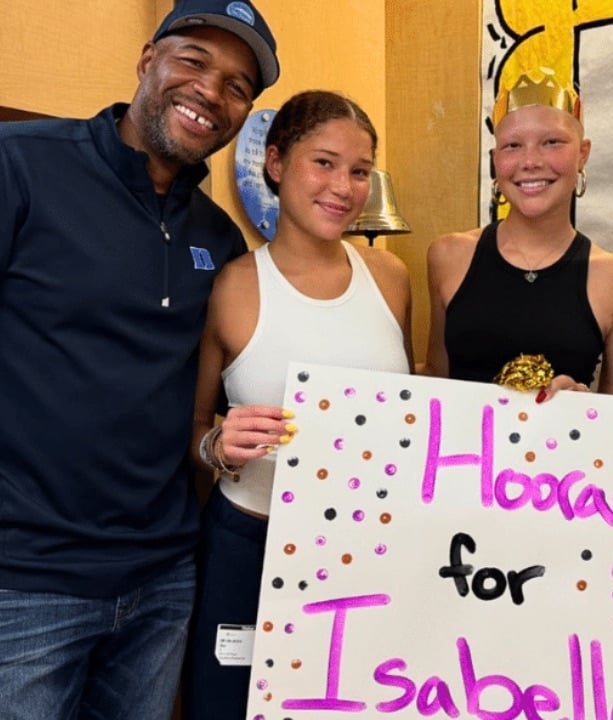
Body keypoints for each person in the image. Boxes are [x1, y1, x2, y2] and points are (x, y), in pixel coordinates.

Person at [0, 2, 280, 718]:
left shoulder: (218, 238)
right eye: (193, 61)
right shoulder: (22, 164)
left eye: (238, 85)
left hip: (162, 581)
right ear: (148, 58)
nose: (211, 92)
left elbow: (200, 398)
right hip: (26, 581)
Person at [181, 89, 414, 719]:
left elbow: (416, 417)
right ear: (278, 163)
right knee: (228, 706)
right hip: (248, 546)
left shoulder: (390, 279)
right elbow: (196, 430)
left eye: (361, 171)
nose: (344, 186)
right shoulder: (232, 285)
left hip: (365, 548)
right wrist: (216, 446)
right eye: (325, 163)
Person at [422, 71, 613, 398]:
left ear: (582, 154)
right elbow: (436, 379)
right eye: (513, 146)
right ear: (495, 159)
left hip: (565, 450)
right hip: (463, 450)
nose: (530, 161)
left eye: (552, 142)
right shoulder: (447, 256)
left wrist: (585, 408)